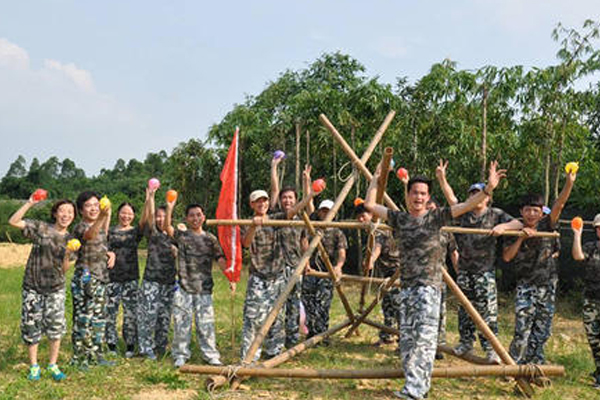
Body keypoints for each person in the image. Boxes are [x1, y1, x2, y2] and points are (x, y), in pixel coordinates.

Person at [364, 161, 506, 400]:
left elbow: (466, 205)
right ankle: (417, 385)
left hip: (429, 288)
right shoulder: (399, 219)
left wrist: (489, 189)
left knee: (424, 340)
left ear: (428, 197)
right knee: (408, 341)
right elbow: (369, 204)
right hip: (407, 288)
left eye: (423, 193)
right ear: (408, 195)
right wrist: (376, 178)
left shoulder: (437, 217)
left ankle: (415, 391)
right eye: (414, 193)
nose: (418, 197)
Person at [436, 160, 522, 362]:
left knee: (487, 312)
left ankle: (491, 348)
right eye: (472, 194)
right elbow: (451, 199)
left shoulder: (495, 214)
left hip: (485, 271)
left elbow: (518, 222)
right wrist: (442, 179)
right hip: (465, 271)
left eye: (478, 193)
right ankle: (466, 342)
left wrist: (504, 228)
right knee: (465, 310)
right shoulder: (463, 214)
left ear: (488, 197)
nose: (475, 196)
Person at [503, 169, 576, 366]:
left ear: (541, 211)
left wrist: (569, 183)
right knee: (522, 328)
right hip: (525, 285)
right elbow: (507, 257)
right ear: (522, 212)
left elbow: (559, 204)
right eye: (528, 209)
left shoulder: (547, 225)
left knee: (543, 329)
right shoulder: (515, 229)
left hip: (547, 285)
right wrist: (521, 237)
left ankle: (536, 363)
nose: (532, 213)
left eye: (536, 210)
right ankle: (514, 366)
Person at [240, 186, 314, 361]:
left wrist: (310, 194)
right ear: (252, 204)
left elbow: (293, 210)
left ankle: (274, 351)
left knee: (277, 317)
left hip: (278, 276)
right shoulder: (247, 223)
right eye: (258, 201)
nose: (262, 204)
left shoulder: (276, 219)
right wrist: (253, 226)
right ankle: (249, 356)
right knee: (252, 317)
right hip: (258, 276)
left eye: (264, 201)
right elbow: (245, 243)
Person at [9, 194, 76, 381]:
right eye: (62, 210)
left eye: (70, 212)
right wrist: (30, 203)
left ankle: (53, 365)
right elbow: (13, 222)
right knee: (31, 326)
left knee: (56, 327)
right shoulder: (41, 228)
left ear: (73, 216)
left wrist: (68, 254)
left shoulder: (72, 239)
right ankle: (34, 366)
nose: (66, 214)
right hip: (33, 285)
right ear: (55, 213)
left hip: (56, 287)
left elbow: (64, 270)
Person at [165, 199, 230, 368]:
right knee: (181, 324)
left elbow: (220, 258)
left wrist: (230, 276)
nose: (195, 218)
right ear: (187, 219)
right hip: (184, 287)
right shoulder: (183, 236)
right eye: (192, 216)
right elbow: (168, 228)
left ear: (204, 217)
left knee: (206, 325)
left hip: (204, 288)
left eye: (198, 215)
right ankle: (180, 354)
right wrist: (170, 208)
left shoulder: (210, 238)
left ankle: (211, 355)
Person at [270, 158, 315, 348]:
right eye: (284, 197)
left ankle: (292, 341)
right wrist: (274, 167)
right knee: (276, 306)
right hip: (277, 268)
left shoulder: (300, 218)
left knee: (294, 305)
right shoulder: (276, 214)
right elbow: (273, 189)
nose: (287, 200)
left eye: (290, 198)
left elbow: (304, 241)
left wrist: (307, 262)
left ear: (295, 200)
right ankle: (275, 342)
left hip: (295, 267)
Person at [70, 191, 115, 369]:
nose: (94, 208)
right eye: (89, 205)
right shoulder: (80, 227)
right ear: (81, 210)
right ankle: (80, 358)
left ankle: (97, 354)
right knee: (83, 318)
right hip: (85, 278)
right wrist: (103, 216)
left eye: (96, 205)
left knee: (99, 318)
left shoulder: (101, 226)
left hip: (102, 277)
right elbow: (89, 235)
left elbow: (101, 239)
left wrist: (110, 253)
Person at [137, 187, 178, 360]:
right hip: (151, 282)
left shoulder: (175, 234)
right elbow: (150, 216)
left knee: (164, 317)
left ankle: (161, 347)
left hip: (169, 282)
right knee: (148, 316)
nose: (161, 219)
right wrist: (150, 197)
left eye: (164, 216)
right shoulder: (152, 233)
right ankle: (146, 348)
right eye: (159, 216)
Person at [355, 201, 401, 347]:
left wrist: (371, 260)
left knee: (398, 306)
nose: (361, 220)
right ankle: (388, 336)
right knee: (388, 305)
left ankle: (404, 339)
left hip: (398, 272)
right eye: (359, 217)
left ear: (372, 215)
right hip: (387, 273)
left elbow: (377, 248)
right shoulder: (374, 232)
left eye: (363, 216)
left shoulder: (380, 231)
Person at [302, 200, 347, 342]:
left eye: (328, 211)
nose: (325, 213)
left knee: (323, 303)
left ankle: (322, 335)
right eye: (323, 211)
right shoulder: (312, 228)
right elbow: (305, 246)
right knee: (308, 302)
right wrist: (306, 264)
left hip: (327, 273)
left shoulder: (337, 231)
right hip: (311, 271)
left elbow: (342, 252)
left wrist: (338, 266)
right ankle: (311, 333)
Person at [105, 202, 143, 358]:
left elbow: (146, 220)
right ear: (118, 214)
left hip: (130, 277)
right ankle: (111, 344)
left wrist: (149, 199)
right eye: (123, 212)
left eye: (129, 213)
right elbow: (102, 241)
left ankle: (130, 345)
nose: (126, 216)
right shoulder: (111, 231)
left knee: (130, 313)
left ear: (133, 216)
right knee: (110, 312)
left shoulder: (135, 232)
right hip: (111, 277)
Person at [425, 198, 459, 360]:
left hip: (439, 276)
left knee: (439, 312)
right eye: (427, 208)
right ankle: (420, 344)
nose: (430, 211)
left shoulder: (445, 230)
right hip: (420, 276)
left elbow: (453, 252)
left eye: (433, 208)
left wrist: (458, 271)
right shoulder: (416, 226)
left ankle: (439, 346)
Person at [572, 214, 600, 388]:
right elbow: (577, 256)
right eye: (599, 227)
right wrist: (577, 234)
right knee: (594, 338)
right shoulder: (591, 247)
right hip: (591, 299)